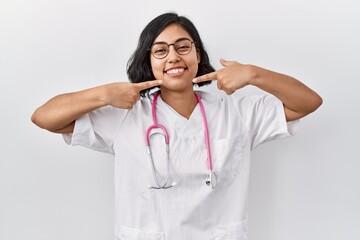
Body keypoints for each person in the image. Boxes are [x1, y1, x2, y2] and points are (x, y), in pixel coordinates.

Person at [32, 12, 322, 240]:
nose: (173, 56)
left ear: (198, 55)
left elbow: (308, 102)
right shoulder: (125, 115)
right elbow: (44, 118)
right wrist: (104, 94)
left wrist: (254, 75)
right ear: (149, 61)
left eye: (183, 47)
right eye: (160, 50)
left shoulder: (237, 113)